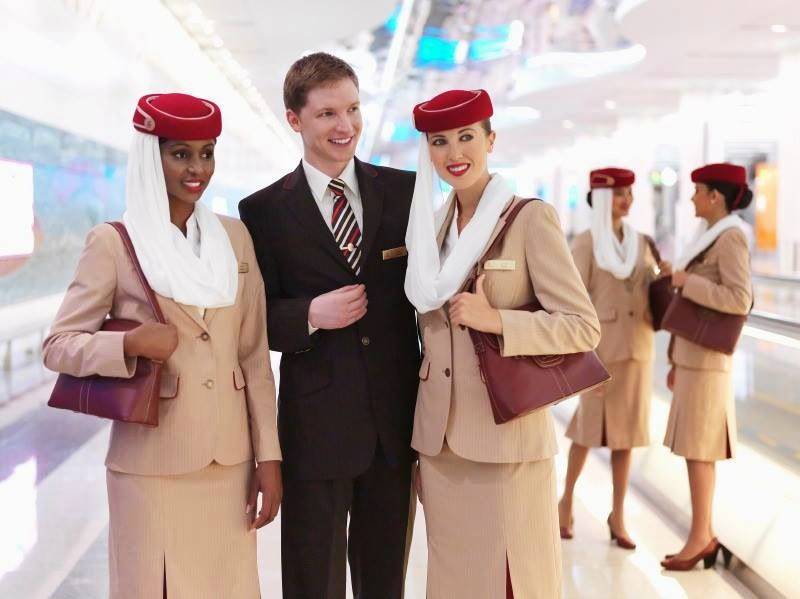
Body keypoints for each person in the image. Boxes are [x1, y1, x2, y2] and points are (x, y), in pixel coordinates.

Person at [42, 93, 282, 598]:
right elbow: (58, 345)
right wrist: (128, 343)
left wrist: (270, 457)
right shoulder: (114, 242)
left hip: (229, 462)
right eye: (180, 154)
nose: (198, 169)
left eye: (207, 153)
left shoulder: (235, 239)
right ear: (151, 158)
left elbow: (254, 358)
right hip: (151, 465)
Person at [405, 89, 600, 598]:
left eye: (467, 137)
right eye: (440, 141)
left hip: (506, 440)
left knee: (513, 582)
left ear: (491, 141)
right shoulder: (429, 230)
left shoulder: (529, 219)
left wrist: (497, 320)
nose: (454, 153)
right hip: (441, 445)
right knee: (454, 584)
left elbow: (582, 326)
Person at [238, 53, 420, 599]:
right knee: (311, 579)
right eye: (327, 114)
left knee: (385, 578)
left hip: (393, 425)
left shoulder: (405, 193)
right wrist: (309, 315)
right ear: (294, 119)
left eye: (353, 109)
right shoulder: (264, 212)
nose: (346, 126)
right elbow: (253, 321)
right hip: (314, 428)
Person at [558, 167, 667, 548]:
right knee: (586, 432)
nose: (627, 200)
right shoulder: (586, 243)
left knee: (627, 438)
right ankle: (566, 501)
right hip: (600, 354)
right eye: (620, 193)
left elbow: (652, 287)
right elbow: (572, 301)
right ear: (603, 198)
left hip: (637, 351)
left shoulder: (641, 242)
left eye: (630, 193)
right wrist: (580, 359)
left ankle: (618, 515)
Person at [661, 163, 753, 571]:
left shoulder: (731, 237)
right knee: (694, 450)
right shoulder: (710, 235)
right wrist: (675, 360)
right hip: (693, 360)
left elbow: (739, 298)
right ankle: (703, 534)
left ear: (715, 196)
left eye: (698, 191)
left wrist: (687, 281)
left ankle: (700, 538)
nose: (692, 197)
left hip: (707, 364)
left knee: (700, 451)